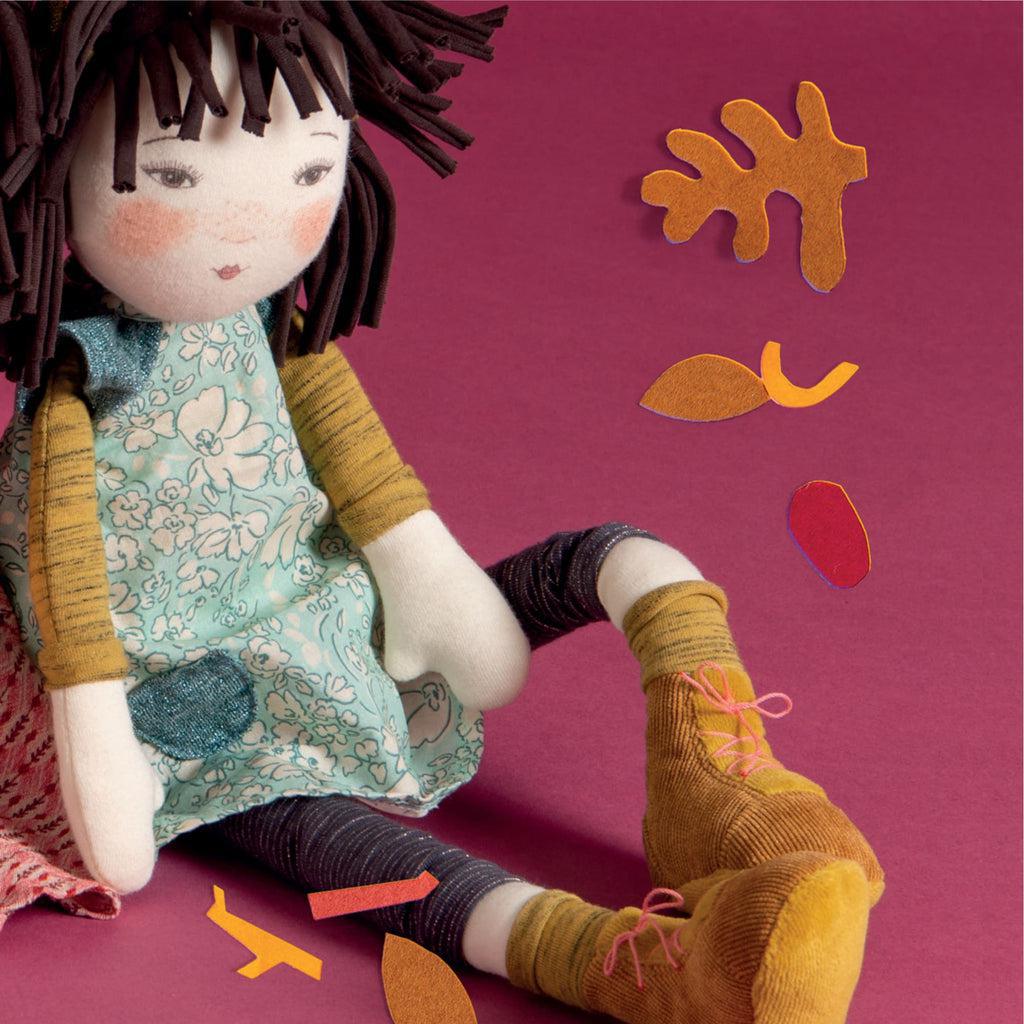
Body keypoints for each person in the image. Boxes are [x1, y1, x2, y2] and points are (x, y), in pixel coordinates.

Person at [0, 4, 882, 1020]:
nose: (245, 230)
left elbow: (365, 473)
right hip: (190, 705)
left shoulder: (275, 330)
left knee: (628, 558)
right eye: (176, 178)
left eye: (308, 170)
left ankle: (729, 798)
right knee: (350, 851)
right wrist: (97, 732)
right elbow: (66, 583)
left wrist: (419, 565)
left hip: (335, 613)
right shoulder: (83, 383)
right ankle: (633, 964)